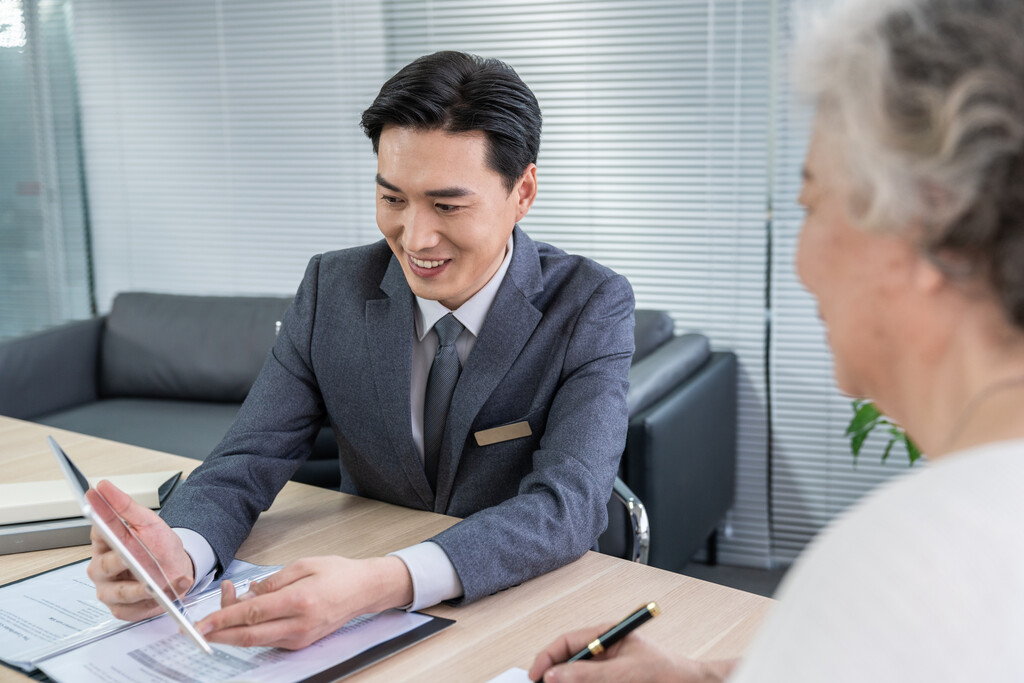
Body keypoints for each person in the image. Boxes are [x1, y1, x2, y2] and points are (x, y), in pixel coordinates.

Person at [530, 0, 1024, 680]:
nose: (801, 262)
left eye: (811, 204)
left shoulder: (911, 560)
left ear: (928, 223)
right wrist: (700, 675)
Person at [87, 50, 635, 650]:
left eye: (447, 205)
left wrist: (382, 582)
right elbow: (247, 456)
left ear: (522, 191)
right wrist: (182, 551)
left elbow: (569, 506)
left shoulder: (590, 304)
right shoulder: (333, 288)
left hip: (529, 603)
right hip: (361, 602)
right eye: (393, 199)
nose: (416, 239)